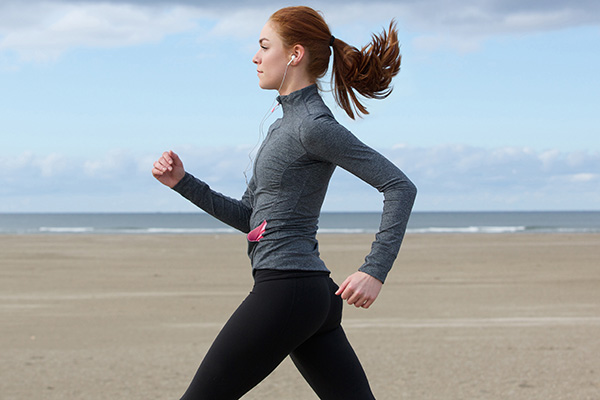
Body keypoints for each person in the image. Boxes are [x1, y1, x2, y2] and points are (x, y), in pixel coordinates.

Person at [152, 6, 416, 399]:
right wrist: (182, 183)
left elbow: (399, 186)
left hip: (288, 288)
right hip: (308, 294)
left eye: (264, 46)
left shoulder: (312, 125)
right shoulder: (283, 125)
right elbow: (250, 218)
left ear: (294, 55)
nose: (255, 57)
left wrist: (374, 270)